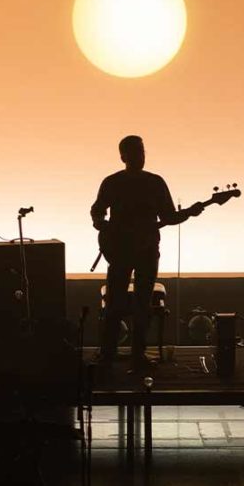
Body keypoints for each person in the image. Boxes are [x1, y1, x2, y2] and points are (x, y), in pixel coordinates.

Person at [90, 135, 200, 370]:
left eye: (142, 151)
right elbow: (97, 210)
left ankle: (133, 354)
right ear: (123, 156)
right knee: (117, 302)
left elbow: (168, 217)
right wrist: (103, 225)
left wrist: (190, 212)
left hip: (144, 249)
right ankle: (111, 353)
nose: (140, 156)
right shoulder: (115, 182)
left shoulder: (153, 182)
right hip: (126, 250)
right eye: (135, 152)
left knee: (141, 302)